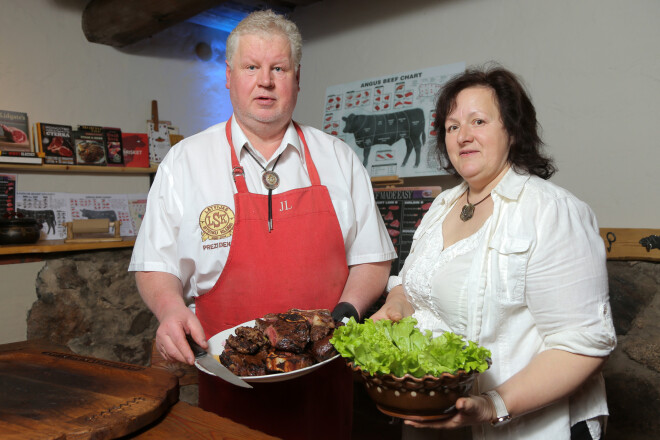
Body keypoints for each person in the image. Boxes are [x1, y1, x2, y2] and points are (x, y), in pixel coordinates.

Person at [129, 10, 396, 440]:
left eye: (278, 68)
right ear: (230, 77)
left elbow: (372, 259)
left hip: (324, 385)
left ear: (296, 78)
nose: (265, 80)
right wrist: (170, 309)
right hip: (229, 384)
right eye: (252, 67)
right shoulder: (186, 162)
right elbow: (154, 264)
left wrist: (345, 316)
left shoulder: (338, 158)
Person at [372, 65, 616, 440]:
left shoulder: (550, 211)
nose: (463, 136)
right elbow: (410, 287)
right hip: (434, 421)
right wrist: (396, 308)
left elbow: (584, 344)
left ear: (513, 129)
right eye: (452, 126)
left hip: (528, 428)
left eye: (479, 121)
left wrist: (493, 404)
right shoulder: (441, 206)